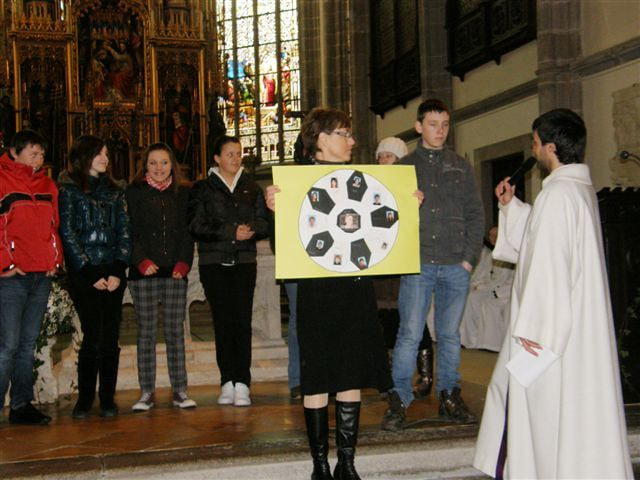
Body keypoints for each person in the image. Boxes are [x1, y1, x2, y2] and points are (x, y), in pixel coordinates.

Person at [473, 109, 632, 478]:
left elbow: (549, 266)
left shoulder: (558, 195)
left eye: (534, 143)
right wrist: (511, 207)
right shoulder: (577, 191)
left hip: (551, 336)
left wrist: (537, 332)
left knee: (547, 416)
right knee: (577, 413)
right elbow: (538, 240)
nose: (533, 151)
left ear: (550, 147)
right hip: (575, 330)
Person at [266, 107, 398, 480]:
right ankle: (321, 465)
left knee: (350, 374)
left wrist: (405, 205)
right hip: (317, 293)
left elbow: (383, 231)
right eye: (344, 133)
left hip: (354, 289)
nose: (352, 140)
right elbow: (282, 245)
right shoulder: (293, 184)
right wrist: (275, 211)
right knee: (319, 377)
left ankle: (348, 464)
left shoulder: (363, 181)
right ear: (322, 139)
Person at [382, 99, 484, 431]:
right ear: (418, 127)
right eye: (432, 124)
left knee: (450, 335)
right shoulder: (403, 168)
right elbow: (385, 218)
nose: (440, 131)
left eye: (445, 125)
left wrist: (469, 259)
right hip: (419, 263)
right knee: (409, 334)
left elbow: (475, 213)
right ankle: (399, 400)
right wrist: (405, 207)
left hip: (456, 264)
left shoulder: (460, 166)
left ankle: (449, 396)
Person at [188, 135, 268, 407]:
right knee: (223, 323)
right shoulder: (203, 188)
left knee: (242, 322)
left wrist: (251, 230)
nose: (235, 158)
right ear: (217, 158)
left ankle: (243, 382)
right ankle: (227, 382)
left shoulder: (251, 187)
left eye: (238, 153)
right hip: (214, 263)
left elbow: (264, 222)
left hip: (244, 262)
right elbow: (195, 225)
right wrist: (230, 232)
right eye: (229, 154)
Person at [58, 135, 131, 419]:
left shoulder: (116, 191)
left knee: (110, 337)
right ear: (84, 157)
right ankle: (85, 398)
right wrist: (87, 271)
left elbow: (124, 231)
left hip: (112, 271)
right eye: (100, 154)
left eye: (106, 154)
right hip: (84, 273)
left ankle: (108, 398)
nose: (105, 159)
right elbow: (67, 233)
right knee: (92, 336)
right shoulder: (69, 190)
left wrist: (118, 269)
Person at [125, 143, 196, 412]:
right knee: (146, 333)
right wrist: (140, 260)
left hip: (175, 272)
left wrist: (184, 263)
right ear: (145, 165)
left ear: (172, 165)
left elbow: (187, 231)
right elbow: (129, 230)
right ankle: (146, 391)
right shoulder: (133, 192)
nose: (159, 168)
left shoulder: (183, 192)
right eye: (153, 162)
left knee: (175, 333)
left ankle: (180, 390)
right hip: (143, 272)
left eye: (164, 162)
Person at [0, 130, 62, 425]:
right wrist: (6, 264)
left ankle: (21, 405)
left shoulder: (48, 184)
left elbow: (53, 227)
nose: (39, 158)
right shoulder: (3, 181)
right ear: (14, 152)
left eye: (41, 154)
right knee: (8, 346)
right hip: (12, 277)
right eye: (33, 153)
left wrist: (55, 260)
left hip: (41, 275)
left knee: (27, 344)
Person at [373, 136, 434, 398]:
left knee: (413, 319)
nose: (384, 161)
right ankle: (389, 377)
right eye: (381, 157)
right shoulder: (371, 186)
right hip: (380, 261)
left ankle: (426, 375)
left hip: (407, 261)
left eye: (389, 156)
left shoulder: (415, 185)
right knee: (385, 318)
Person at [459, 227, 514, 352]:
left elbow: (512, 280)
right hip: (490, 288)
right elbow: (486, 276)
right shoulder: (492, 255)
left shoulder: (511, 255)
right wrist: (478, 286)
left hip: (504, 292)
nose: (493, 238)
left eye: (496, 235)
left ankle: (492, 344)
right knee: (471, 297)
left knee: (487, 303)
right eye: (490, 235)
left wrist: (497, 292)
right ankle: (469, 339)